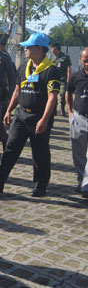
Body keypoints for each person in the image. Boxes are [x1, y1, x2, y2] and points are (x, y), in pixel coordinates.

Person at [0, 33, 60, 198]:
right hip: (21, 114)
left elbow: (52, 97)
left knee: (40, 152)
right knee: (11, 148)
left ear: (39, 49)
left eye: (28, 47)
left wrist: (44, 120)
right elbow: (17, 89)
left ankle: (40, 185)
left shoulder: (50, 70)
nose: (25, 49)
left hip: (39, 117)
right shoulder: (24, 66)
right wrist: (9, 110)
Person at [66, 47, 88, 198]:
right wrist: (70, 112)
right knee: (78, 154)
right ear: (81, 60)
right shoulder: (76, 76)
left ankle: (87, 185)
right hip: (79, 119)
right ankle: (81, 182)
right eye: (85, 60)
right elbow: (68, 91)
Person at [50, 43, 72, 116]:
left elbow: (69, 68)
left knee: (62, 94)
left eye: (53, 49)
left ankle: (62, 109)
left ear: (57, 49)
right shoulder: (52, 57)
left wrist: (69, 79)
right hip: (54, 79)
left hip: (63, 79)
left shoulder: (65, 57)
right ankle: (54, 110)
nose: (52, 51)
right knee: (53, 94)